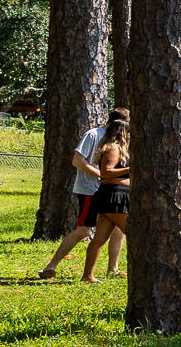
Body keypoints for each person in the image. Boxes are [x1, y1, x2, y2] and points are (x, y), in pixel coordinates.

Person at [37, 106, 124, 280]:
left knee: (117, 228)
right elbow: (77, 160)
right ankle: (50, 266)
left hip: (108, 191)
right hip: (89, 190)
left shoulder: (117, 141)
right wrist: (101, 175)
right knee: (84, 230)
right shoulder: (93, 135)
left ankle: (113, 269)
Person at [80, 117, 132, 280]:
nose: (131, 136)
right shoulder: (113, 149)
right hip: (114, 197)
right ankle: (140, 273)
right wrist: (131, 169)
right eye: (129, 133)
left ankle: (87, 275)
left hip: (114, 195)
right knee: (135, 234)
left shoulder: (119, 149)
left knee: (99, 239)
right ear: (122, 133)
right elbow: (106, 172)